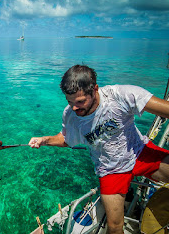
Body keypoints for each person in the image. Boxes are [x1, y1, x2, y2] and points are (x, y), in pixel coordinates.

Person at [28, 65, 169, 234]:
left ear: (95, 89)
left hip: (138, 152)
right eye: (69, 101)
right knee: (115, 228)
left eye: (80, 101)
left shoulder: (121, 95)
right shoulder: (71, 115)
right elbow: (67, 139)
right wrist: (44, 140)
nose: (74, 108)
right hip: (110, 170)